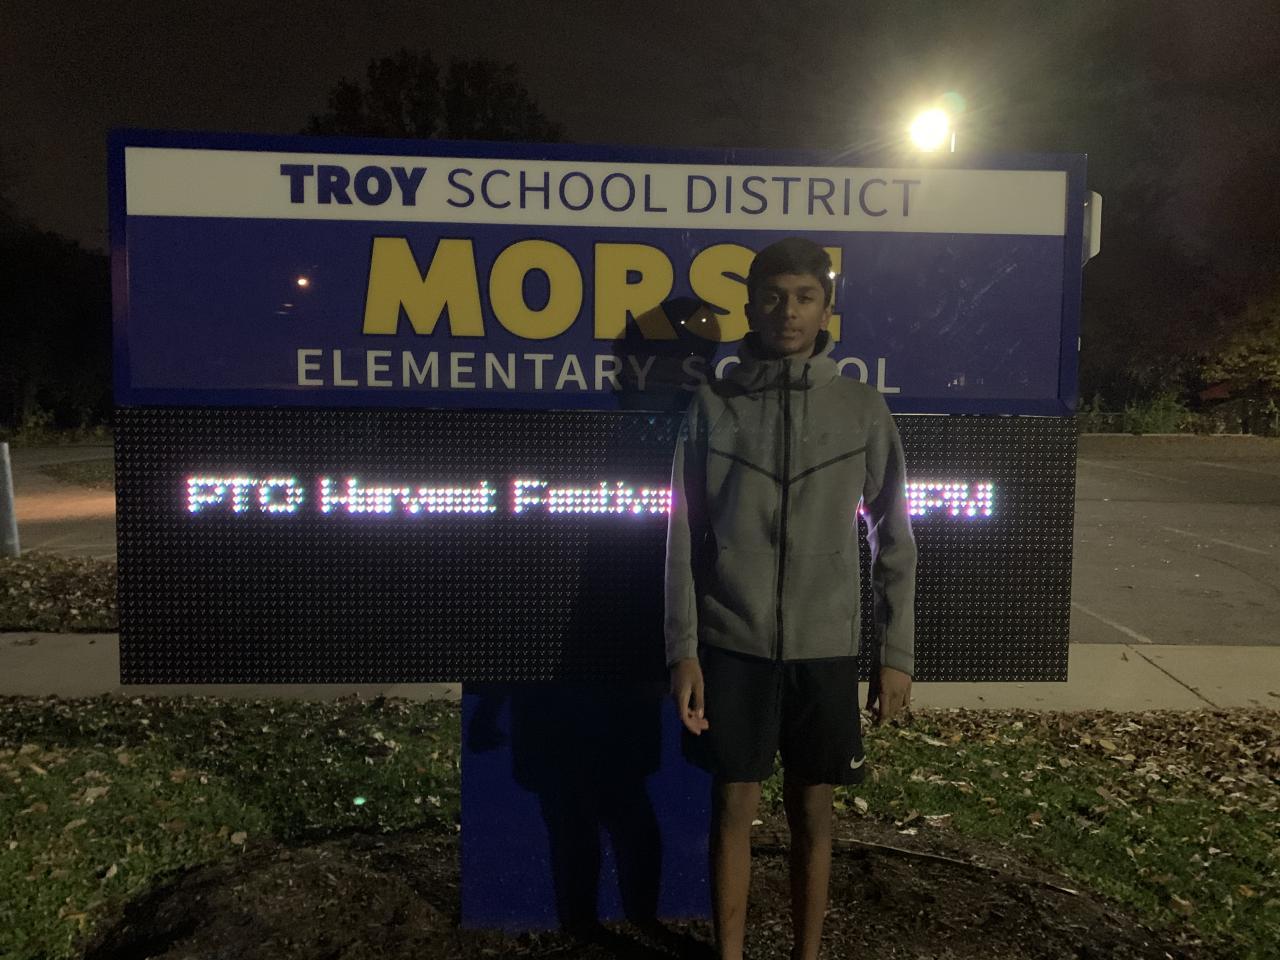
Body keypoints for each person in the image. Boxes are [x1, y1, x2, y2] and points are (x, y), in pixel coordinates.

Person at [664, 236, 917, 960]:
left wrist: (895, 654)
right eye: (773, 296)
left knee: (815, 813)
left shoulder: (861, 408)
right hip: (733, 644)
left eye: (805, 297)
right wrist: (684, 650)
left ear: (826, 308)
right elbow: (681, 537)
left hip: (825, 647)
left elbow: (894, 536)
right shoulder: (712, 406)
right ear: (750, 306)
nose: (788, 311)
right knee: (732, 809)